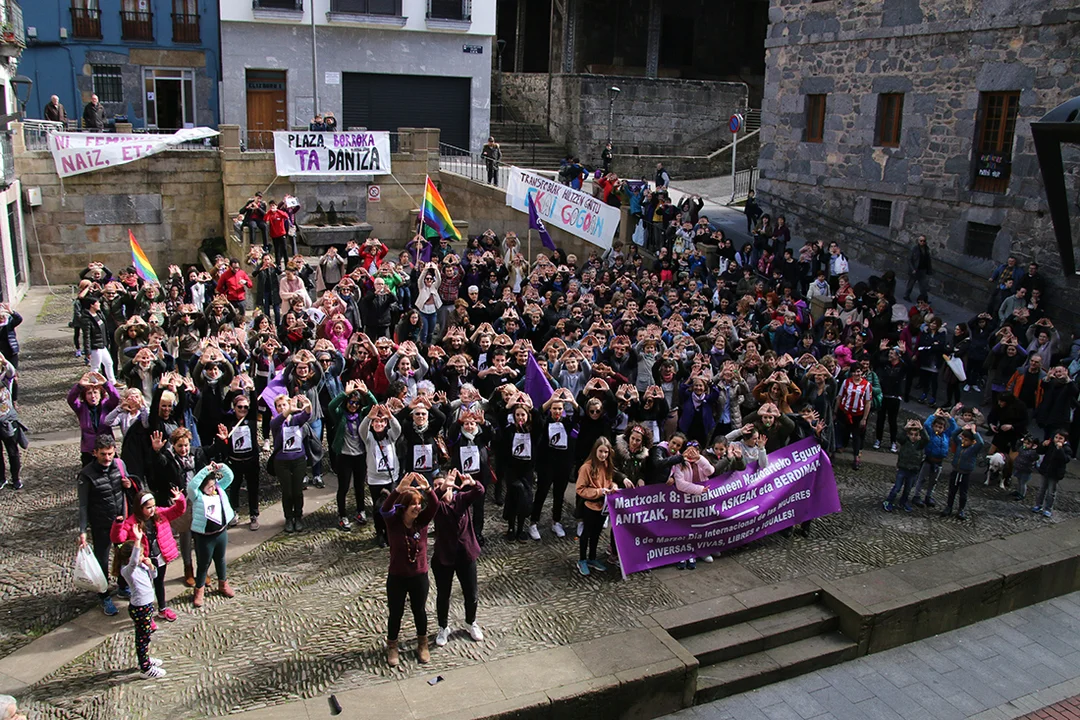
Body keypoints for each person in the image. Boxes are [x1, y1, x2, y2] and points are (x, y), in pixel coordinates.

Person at [381, 471, 438, 666]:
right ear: (404, 507)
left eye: (419, 504)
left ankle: (423, 644)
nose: (418, 507)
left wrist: (428, 489)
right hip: (397, 576)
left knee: (419, 610)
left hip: (419, 575)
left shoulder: (422, 522)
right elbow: (385, 508)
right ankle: (392, 646)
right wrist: (398, 490)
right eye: (414, 504)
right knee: (395, 612)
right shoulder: (393, 523)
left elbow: (435, 505)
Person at [78, 434, 137, 616]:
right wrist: (82, 530)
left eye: (110, 453)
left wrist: (128, 484)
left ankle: (123, 586)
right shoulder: (86, 475)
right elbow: (83, 505)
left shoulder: (119, 465)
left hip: (120, 523)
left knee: (124, 555)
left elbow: (129, 487)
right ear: (95, 453)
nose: (107, 458)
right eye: (103, 454)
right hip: (101, 525)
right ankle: (104, 595)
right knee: (102, 560)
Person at [112, 488, 186, 622]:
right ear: (140, 508)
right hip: (143, 560)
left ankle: (162, 609)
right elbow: (118, 538)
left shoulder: (160, 514)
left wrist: (180, 499)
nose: (152, 510)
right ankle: (147, 615)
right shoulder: (131, 523)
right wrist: (118, 524)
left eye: (153, 506)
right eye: (148, 507)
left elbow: (178, 511)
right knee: (145, 588)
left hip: (159, 557)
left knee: (159, 583)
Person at [431, 469, 484, 647]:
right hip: (444, 556)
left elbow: (479, 491)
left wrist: (472, 482)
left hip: (465, 554)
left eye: (442, 483)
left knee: (471, 593)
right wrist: (440, 489)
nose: (439, 487)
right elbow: (431, 501)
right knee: (443, 595)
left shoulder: (461, 499)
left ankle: (471, 622)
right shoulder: (437, 506)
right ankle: (443, 627)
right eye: (436, 485)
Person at [188, 462, 236, 608]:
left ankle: (223, 584)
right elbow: (191, 487)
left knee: (220, 559)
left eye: (214, 485)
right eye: (209, 487)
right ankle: (199, 590)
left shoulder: (219, 489)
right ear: (202, 487)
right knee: (203, 564)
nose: (213, 488)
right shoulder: (197, 495)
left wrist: (221, 467)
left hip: (220, 532)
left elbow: (230, 477)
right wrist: (205, 470)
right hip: (204, 536)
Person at [575, 437, 624, 576]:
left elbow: (610, 481)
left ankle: (592, 558)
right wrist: (599, 492)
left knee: (596, 533)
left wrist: (613, 486)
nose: (603, 455)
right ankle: (582, 559)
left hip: (603, 506)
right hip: (590, 505)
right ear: (595, 451)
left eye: (606, 452)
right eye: (601, 451)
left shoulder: (607, 465)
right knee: (586, 533)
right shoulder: (586, 468)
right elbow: (580, 489)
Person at [271, 394, 312, 533]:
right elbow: (277, 422)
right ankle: (288, 518)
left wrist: (308, 405)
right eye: (279, 406)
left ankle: (298, 516)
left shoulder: (296, 420)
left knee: (298, 491)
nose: (282, 407)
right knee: (287, 492)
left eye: (284, 404)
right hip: (282, 462)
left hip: (298, 460)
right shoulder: (276, 422)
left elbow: (306, 415)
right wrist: (289, 410)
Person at [940, 424, 984, 520]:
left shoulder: (973, 449)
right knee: (952, 491)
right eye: (963, 439)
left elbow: (981, 443)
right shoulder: (960, 444)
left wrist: (974, 432)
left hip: (965, 474)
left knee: (963, 493)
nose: (963, 441)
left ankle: (961, 509)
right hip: (955, 471)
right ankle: (949, 507)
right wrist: (962, 428)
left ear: (972, 441)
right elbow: (954, 435)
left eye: (966, 440)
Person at [883, 420, 928, 512]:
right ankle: (889, 501)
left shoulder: (920, 445)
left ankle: (903, 502)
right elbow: (899, 437)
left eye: (916, 435)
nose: (913, 437)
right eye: (911, 434)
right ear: (908, 434)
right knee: (897, 487)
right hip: (903, 469)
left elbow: (927, 439)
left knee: (907, 489)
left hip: (913, 470)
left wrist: (922, 429)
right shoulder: (905, 442)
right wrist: (905, 428)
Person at [1033, 431, 1071, 518]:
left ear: (1065, 440)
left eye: (1060, 438)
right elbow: (1039, 451)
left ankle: (1048, 509)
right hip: (1045, 470)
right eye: (1056, 437)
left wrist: (1060, 449)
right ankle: (1038, 505)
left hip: (1055, 473)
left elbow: (1065, 459)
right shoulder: (1050, 445)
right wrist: (1043, 445)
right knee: (1041, 490)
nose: (1057, 440)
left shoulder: (1066, 449)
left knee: (1051, 492)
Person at [904, 235, 932, 302]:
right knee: (911, 283)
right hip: (915, 269)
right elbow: (909, 259)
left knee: (923, 285)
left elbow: (928, 259)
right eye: (921, 241)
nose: (922, 242)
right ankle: (906, 296)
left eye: (924, 241)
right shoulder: (914, 248)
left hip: (923, 269)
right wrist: (912, 269)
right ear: (918, 241)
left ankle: (924, 299)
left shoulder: (926, 249)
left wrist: (928, 269)